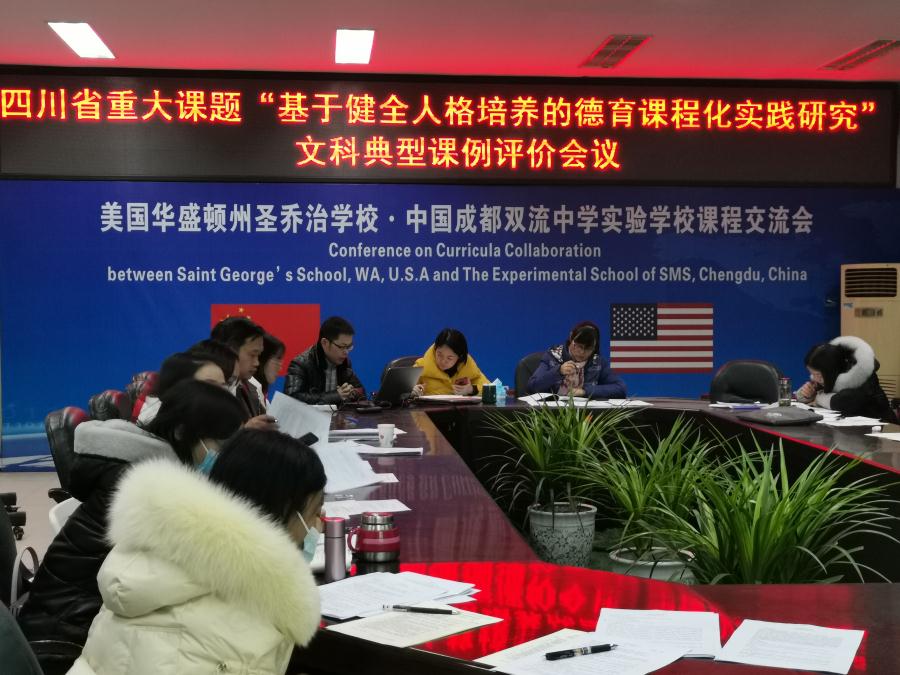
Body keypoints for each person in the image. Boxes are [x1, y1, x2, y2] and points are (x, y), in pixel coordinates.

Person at [18, 381, 245, 661]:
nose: (224, 456)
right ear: (182, 433)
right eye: (220, 444)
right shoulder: (142, 486)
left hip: (79, 615)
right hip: (66, 633)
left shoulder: (144, 468)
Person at [69, 428, 323, 675]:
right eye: (313, 512)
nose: (318, 524)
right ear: (282, 510)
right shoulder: (244, 632)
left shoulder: (158, 551)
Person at [796, 335, 898, 423]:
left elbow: (841, 402)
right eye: (812, 374)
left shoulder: (860, 375)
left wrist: (818, 397)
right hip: (853, 429)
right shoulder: (833, 374)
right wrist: (808, 394)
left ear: (830, 369)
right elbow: (802, 395)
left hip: (884, 428)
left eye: (817, 374)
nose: (814, 378)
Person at [136, 345, 236, 424]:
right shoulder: (153, 424)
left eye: (223, 386)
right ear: (176, 386)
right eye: (210, 386)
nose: (223, 394)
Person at [527, 321, 626, 399]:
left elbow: (620, 388)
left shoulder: (597, 362)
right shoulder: (552, 356)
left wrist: (585, 391)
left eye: (588, 349)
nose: (582, 352)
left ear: (595, 347)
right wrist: (558, 371)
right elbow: (532, 387)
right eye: (579, 346)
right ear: (571, 337)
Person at [211, 316, 277, 428]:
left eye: (258, 355)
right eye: (252, 355)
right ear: (230, 350)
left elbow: (272, 420)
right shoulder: (206, 390)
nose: (257, 363)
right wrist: (245, 431)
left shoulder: (254, 386)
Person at [284, 316, 366, 404]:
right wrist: (336, 396)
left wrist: (351, 392)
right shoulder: (301, 364)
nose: (346, 352)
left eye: (349, 346)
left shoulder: (344, 362)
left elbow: (361, 391)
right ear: (325, 343)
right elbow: (291, 398)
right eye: (342, 347)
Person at [412, 328, 489, 396]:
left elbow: (489, 388)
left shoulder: (468, 369)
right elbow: (405, 389)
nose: (443, 361)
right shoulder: (421, 367)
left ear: (460, 357)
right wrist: (411, 391)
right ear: (435, 349)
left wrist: (471, 390)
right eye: (439, 355)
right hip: (429, 408)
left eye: (449, 358)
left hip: (460, 408)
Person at [253, 332, 286, 406]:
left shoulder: (265, 401)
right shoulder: (243, 396)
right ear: (262, 358)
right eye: (278, 359)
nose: (280, 368)